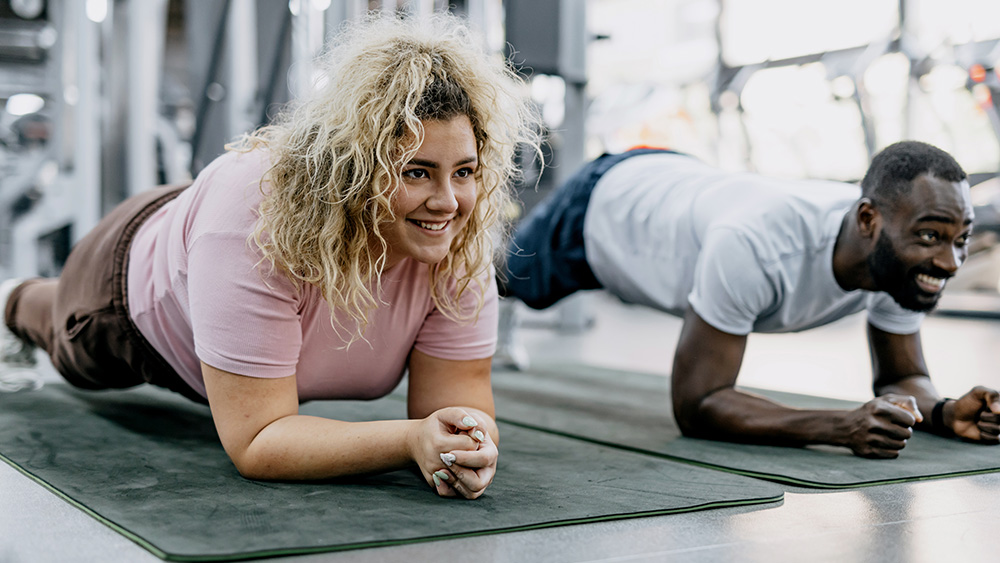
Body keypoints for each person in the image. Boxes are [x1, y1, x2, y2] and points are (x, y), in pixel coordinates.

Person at [0, 13, 541, 499]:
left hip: (209, 234)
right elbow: (258, 440)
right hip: (122, 287)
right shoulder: (252, 228)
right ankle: (12, 301)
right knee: (57, 330)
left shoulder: (454, 242)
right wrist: (409, 440)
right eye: (415, 171)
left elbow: (456, 404)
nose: (448, 201)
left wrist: (466, 444)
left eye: (464, 171)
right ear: (352, 169)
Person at [502, 142, 1000, 458]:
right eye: (933, 236)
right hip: (606, 203)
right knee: (501, 278)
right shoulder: (757, 244)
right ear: (868, 221)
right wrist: (839, 427)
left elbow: (900, 377)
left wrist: (943, 412)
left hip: (680, 182)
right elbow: (697, 404)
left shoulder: (898, 261)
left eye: (960, 239)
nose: (951, 262)